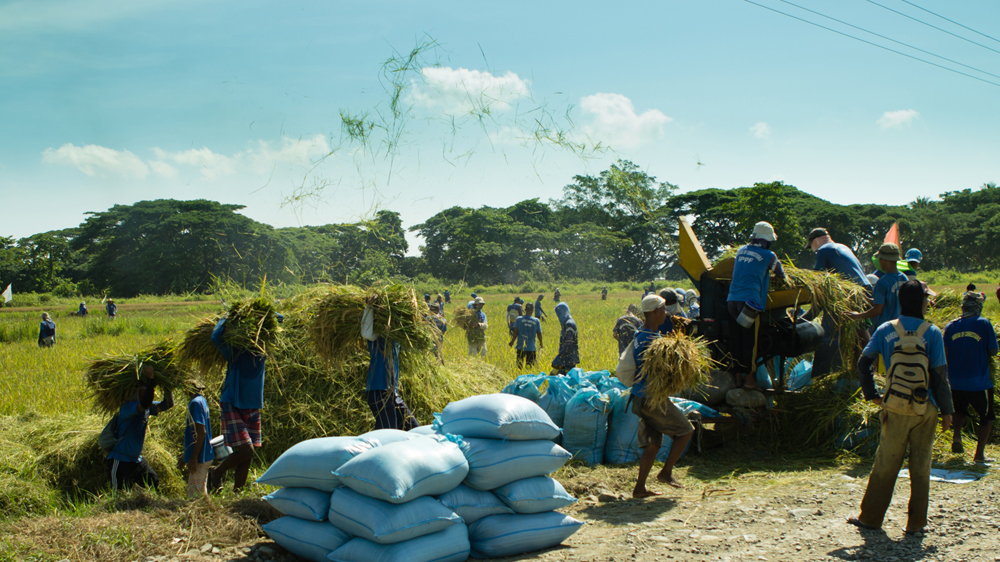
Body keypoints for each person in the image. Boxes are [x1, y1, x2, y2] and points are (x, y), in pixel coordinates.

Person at [848, 280, 953, 535]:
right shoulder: (933, 332)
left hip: (893, 406)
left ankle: (871, 519)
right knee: (920, 466)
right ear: (921, 301)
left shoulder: (885, 329)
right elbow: (939, 376)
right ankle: (916, 525)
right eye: (926, 298)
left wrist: (871, 395)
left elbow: (864, 363)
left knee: (885, 463)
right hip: (925, 409)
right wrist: (947, 411)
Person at [629, 294, 695, 497]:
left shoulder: (640, 336)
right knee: (685, 431)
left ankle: (639, 489)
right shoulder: (653, 341)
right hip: (651, 400)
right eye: (664, 310)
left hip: (640, 398)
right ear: (656, 311)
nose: (666, 313)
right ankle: (666, 473)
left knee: (652, 443)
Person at [209, 315, 269, 493]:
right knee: (247, 450)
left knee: (247, 457)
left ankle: (237, 493)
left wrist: (262, 312)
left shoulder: (262, 351)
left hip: (253, 405)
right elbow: (215, 337)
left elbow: (278, 320)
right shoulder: (235, 351)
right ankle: (217, 473)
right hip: (232, 403)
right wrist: (226, 319)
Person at [806, 227, 873, 376]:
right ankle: (863, 369)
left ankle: (827, 374)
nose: (813, 251)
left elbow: (819, 281)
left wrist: (809, 314)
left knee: (830, 334)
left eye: (811, 247)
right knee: (860, 330)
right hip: (864, 289)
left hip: (847, 293)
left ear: (815, 241)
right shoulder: (844, 247)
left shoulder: (823, 249)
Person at [726, 221, 785, 390]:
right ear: (767, 240)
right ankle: (750, 381)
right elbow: (781, 275)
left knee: (736, 340)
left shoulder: (740, 251)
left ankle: (737, 379)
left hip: (731, 301)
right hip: (749, 303)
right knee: (750, 343)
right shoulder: (769, 255)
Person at [944, 289, 997, 463]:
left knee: (959, 411)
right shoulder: (983, 323)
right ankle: (979, 455)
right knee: (987, 417)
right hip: (979, 381)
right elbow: (993, 350)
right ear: (977, 307)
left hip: (955, 381)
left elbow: (944, 353)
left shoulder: (951, 326)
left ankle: (957, 437)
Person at [107, 365, 174, 491]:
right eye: (146, 390)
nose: (152, 393)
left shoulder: (146, 409)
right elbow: (145, 403)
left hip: (135, 460)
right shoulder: (127, 408)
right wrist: (151, 379)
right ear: (137, 392)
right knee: (117, 495)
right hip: (120, 460)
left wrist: (167, 383)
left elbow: (168, 404)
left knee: (152, 480)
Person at [362, 300, 419, 430]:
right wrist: (369, 307)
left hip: (392, 393)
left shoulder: (397, 341)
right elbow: (366, 333)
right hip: (378, 391)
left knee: (412, 427)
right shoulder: (378, 336)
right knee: (388, 431)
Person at [846, 244, 907, 335]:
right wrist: (866, 299)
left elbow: (878, 309)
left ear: (884, 260)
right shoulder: (904, 278)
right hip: (901, 327)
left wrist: (858, 316)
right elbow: (886, 301)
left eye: (880, 259)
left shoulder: (882, 282)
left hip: (885, 330)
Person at [177, 379, 214, 498]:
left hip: (200, 457)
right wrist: (186, 454)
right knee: (200, 492)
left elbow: (201, 432)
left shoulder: (195, 403)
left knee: (195, 498)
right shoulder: (202, 400)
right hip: (204, 453)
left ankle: (203, 515)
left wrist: (193, 457)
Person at [509, 303, 543, 369]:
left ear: (525, 310)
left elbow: (516, 332)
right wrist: (541, 343)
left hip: (520, 346)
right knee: (530, 367)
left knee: (519, 366)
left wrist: (512, 341)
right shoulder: (536, 321)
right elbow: (539, 334)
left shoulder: (519, 319)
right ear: (532, 310)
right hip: (531, 347)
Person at [550, 302, 579, 375]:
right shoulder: (566, 324)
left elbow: (568, 344)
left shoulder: (569, 324)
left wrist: (559, 358)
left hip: (568, 360)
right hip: (565, 359)